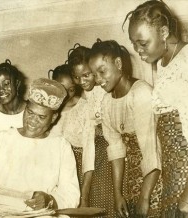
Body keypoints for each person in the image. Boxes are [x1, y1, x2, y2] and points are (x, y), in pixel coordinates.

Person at [0, 78, 80, 218]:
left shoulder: (61, 146)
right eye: (30, 112)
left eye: (41, 117)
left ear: (54, 118)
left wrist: (50, 199)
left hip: (39, 213)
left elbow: (71, 194)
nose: (32, 121)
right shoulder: (4, 138)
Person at [126, 0, 188, 216]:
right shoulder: (164, 63)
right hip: (173, 172)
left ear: (164, 32)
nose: (137, 50)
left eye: (143, 43)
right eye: (134, 44)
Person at [89, 39, 162, 217]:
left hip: (155, 175)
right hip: (131, 177)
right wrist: (117, 194)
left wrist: (145, 197)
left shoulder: (140, 93)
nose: (98, 80)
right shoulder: (106, 103)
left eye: (102, 71)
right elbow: (115, 149)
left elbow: (151, 150)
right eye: (94, 74)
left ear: (119, 64)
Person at [67, 44, 116, 217]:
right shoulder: (86, 98)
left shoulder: (105, 90)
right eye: (76, 77)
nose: (81, 81)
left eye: (86, 75)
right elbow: (88, 140)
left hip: (112, 155)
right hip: (98, 156)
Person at [49, 64, 95, 207]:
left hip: (77, 173)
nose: (66, 95)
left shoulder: (85, 108)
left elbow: (89, 152)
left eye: (71, 90)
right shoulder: (47, 109)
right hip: (50, 170)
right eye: (61, 89)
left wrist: (84, 196)